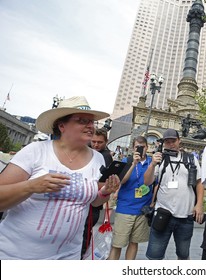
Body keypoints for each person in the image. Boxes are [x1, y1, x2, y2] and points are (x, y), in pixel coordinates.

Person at [0, 96, 120, 259]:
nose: (90, 126)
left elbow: (93, 201)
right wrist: (31, 187)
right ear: (61, 125)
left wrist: (106, 192)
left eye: (92, 122)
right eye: (82, 121)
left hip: (68, 255)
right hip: (17, 254)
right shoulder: (36, 151)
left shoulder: (97, 158)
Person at [143, 128, 204, 260]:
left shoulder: (191, 159)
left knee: (183, 254)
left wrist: (199, 204)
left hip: (185, 216)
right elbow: (147, 181)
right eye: (167, 141)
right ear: (164, 143)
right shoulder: (160, 159)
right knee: (154, 255)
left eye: (173, 141)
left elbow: (199, 183)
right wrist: (153, 164)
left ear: (179, 141)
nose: (170, 144)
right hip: (162, 214)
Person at [107, 136, 154, 260]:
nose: (140, 150)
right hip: (125, 209)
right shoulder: (126, 161)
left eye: (142, 147)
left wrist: (153, 202)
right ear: (133, 148)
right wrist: (134, 164)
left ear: (147, 148)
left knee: (134, 242)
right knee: (117, 244)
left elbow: (155, 183)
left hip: (143, 210)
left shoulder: (152, 163)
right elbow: (121, 181)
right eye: (137, 147)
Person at [80, 128, 113, 259]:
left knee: (85, 236)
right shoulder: (84, 151)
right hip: (80, 201)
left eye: (99, 142)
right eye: (93, 141)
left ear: (106, 142)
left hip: (94, 203)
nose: (96, 145)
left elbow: (106, 181)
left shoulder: (105, 157)